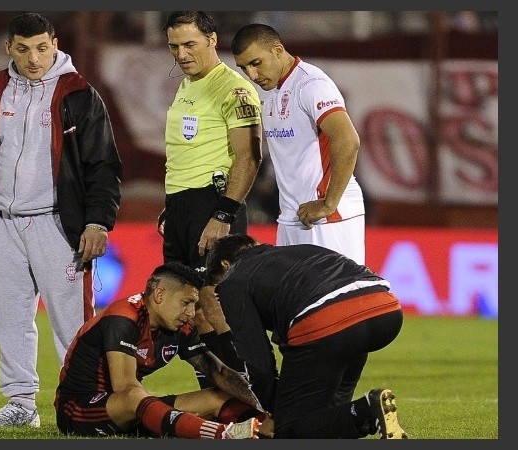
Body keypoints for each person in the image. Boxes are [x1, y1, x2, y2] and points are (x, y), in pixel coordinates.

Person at [0, 12, 122, 428]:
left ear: (55, 44)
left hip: (58, 226)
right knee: (8, 319)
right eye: (24, 49)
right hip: (0, 223)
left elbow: (104, 166)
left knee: (74, 324)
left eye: (42, 48)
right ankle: (20, 404)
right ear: (9, 47)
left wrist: (98, 221)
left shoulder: (80, 95)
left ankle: (84, 401)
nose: (34, 58)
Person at [201, 233, 409, 439]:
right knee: (331, 411)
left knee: (289, 429)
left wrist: (276, 408)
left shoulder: (232, 279)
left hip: (329, 321)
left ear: (225, 264)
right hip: (386, 310)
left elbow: (257, 358)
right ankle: (356, 417)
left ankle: (367, 410)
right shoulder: (300, 251)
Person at [157, 10, 263, 390]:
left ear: (212, 39)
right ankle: (217, 392)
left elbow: (249, 157)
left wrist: (223, 214)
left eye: (190, 44)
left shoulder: (233, 90)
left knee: (215, 303)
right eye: (174, 46)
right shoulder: (187, 85)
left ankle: (254, 389)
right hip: (183, 206)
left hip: (214, 204)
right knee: (186, 307)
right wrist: (173, 207)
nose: (182, 54)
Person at [54, 262, 272, 439]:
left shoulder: (180, 326)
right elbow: (125, 388)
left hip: (135, 410)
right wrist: (171, 414)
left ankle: (268, 427)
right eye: (186, 302)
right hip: (80, 410)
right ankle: (223, 434)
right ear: (159, 295)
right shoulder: (123, 318)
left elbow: (219, 372)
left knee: (217, 396)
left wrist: (262, 408)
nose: (190, 313)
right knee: (134, 394)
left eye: (193, 305)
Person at [230, 23, 366, 265]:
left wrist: (328, 203)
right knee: (293, 302)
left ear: (278, 50)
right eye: (243, 67)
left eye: (256, 63)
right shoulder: (270, 92)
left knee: (334, 300)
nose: (251, 75)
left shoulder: (311, 85)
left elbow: (348, 140)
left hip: (328, 219)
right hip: (291, 218)